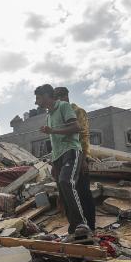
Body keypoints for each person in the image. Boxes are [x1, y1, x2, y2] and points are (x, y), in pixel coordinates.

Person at [36, 84, 95, 238]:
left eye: (38, 98)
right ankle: (75, 228)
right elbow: (54, 142)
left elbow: (77, 129)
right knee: (63, 191)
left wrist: (84, 158)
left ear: (46, 96)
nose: (36, 102)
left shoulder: (65, 107)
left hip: (72, 152)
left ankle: (83, 224)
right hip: (58, 157)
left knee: (67, 183)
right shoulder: (49, 116)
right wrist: (54, 163)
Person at [53, 87, 95, 230]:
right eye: (56, 97)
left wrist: (83, 159)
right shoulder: (56, 114)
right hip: (62, 158)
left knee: (83, 192)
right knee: (68, 194)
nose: (58, 99)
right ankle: (75, 227)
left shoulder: (77, 111)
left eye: (60, 96)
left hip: (77, 156)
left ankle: (90, 226)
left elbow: (84, 136)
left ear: (66, 96)